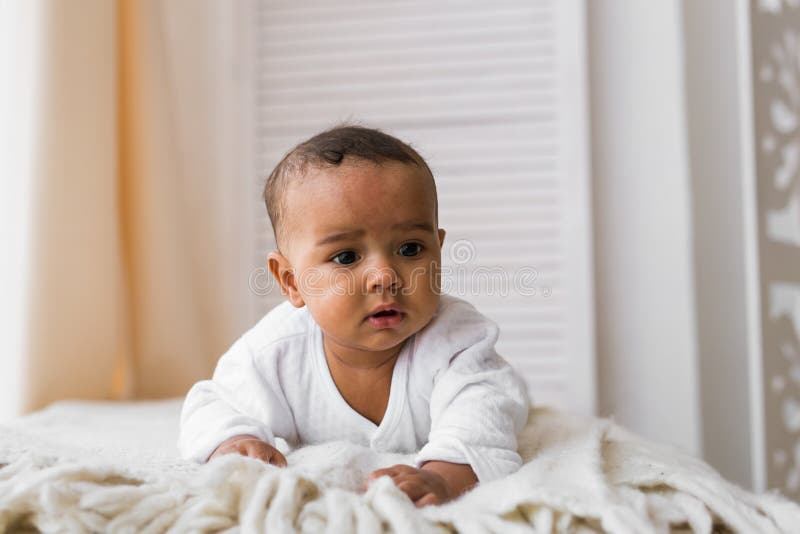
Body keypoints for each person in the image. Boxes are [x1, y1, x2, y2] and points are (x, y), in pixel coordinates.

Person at [178, 125, 530, 506]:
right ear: (292, 281)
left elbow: (484, 416)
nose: (384, 276)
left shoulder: (457, 340)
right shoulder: (276, 351)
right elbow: (212, 404)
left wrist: (441, 477)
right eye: (346, 257)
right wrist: (233, 440)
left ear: (438, 250)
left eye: (411, 248)